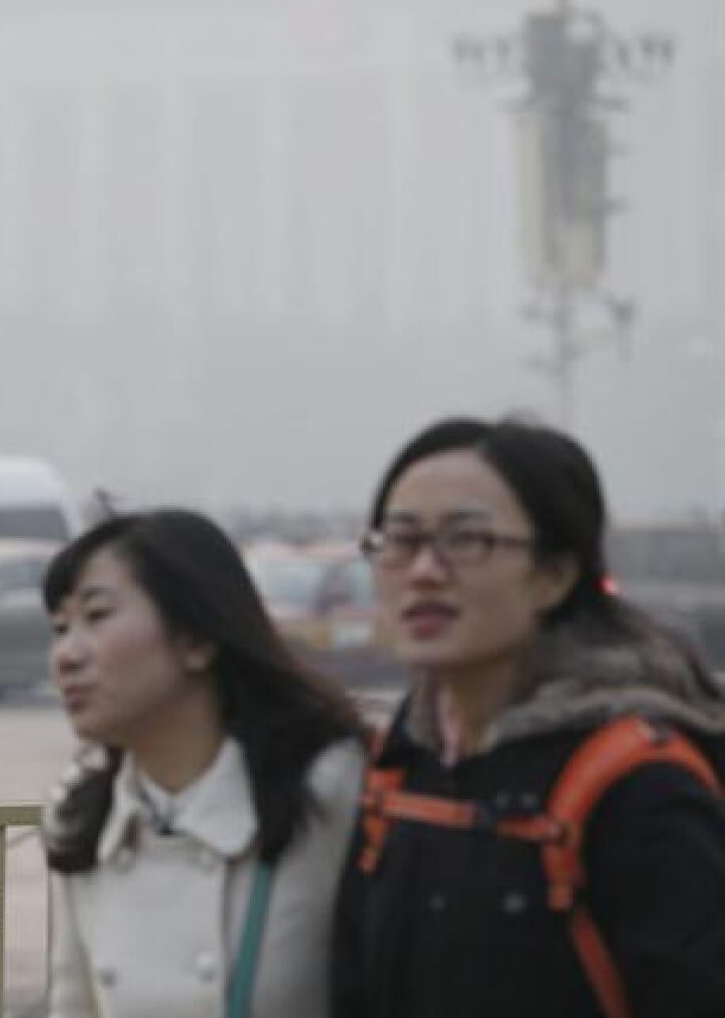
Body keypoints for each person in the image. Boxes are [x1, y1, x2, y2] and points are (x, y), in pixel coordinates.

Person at [331, 416, 725, 1017]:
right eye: (401, 540)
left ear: (555, 576)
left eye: (466, 539)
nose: (423, 571)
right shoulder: (400, 771)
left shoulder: (638, 787)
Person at [44, 510, 366, 1018]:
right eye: (60, 628)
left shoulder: (329, 787)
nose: (66, 654)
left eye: (97, 615)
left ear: (196, 639)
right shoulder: (85, 820)